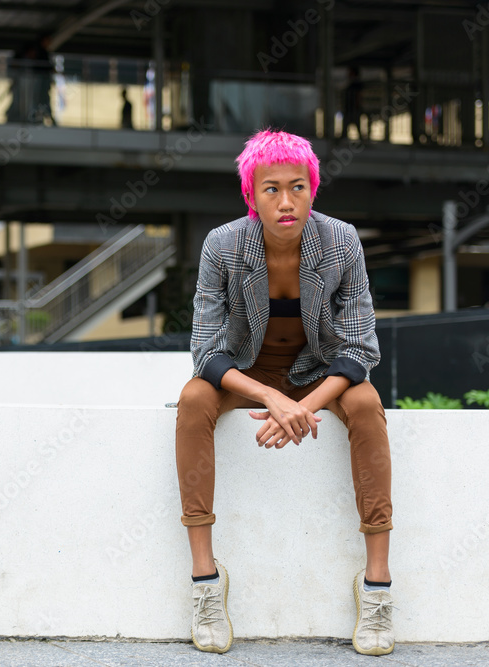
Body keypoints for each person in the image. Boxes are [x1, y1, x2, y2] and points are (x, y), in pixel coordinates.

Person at [175, 129, 394, 656]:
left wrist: (302, 405)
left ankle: (378, 587)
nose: (286, 200)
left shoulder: (341, 241)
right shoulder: (223, 245)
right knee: (192, 400)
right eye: (270, 189)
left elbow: (361, 346)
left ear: (313, 190)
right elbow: (205, 348)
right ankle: (206, 581)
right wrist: (270, 398)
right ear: (251, 195)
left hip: (316, 374)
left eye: (297, 186)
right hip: (246, 374)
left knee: (365, 404)